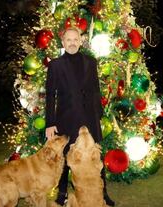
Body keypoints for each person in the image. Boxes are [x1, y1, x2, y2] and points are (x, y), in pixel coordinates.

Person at [45, 26, 115, 206]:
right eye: (69, 40)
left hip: (90, 118)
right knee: (66, 158)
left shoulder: (91, 62)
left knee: (96, 157)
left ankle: (103, 193)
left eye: (76, 39)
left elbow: (95, 90)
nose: (72, 43)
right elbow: (50, 95)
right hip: (66, 119)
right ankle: (61, 194)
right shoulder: (55, 65)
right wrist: (50, 123)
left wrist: (98, 114)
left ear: (81, 41)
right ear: (63, 42)